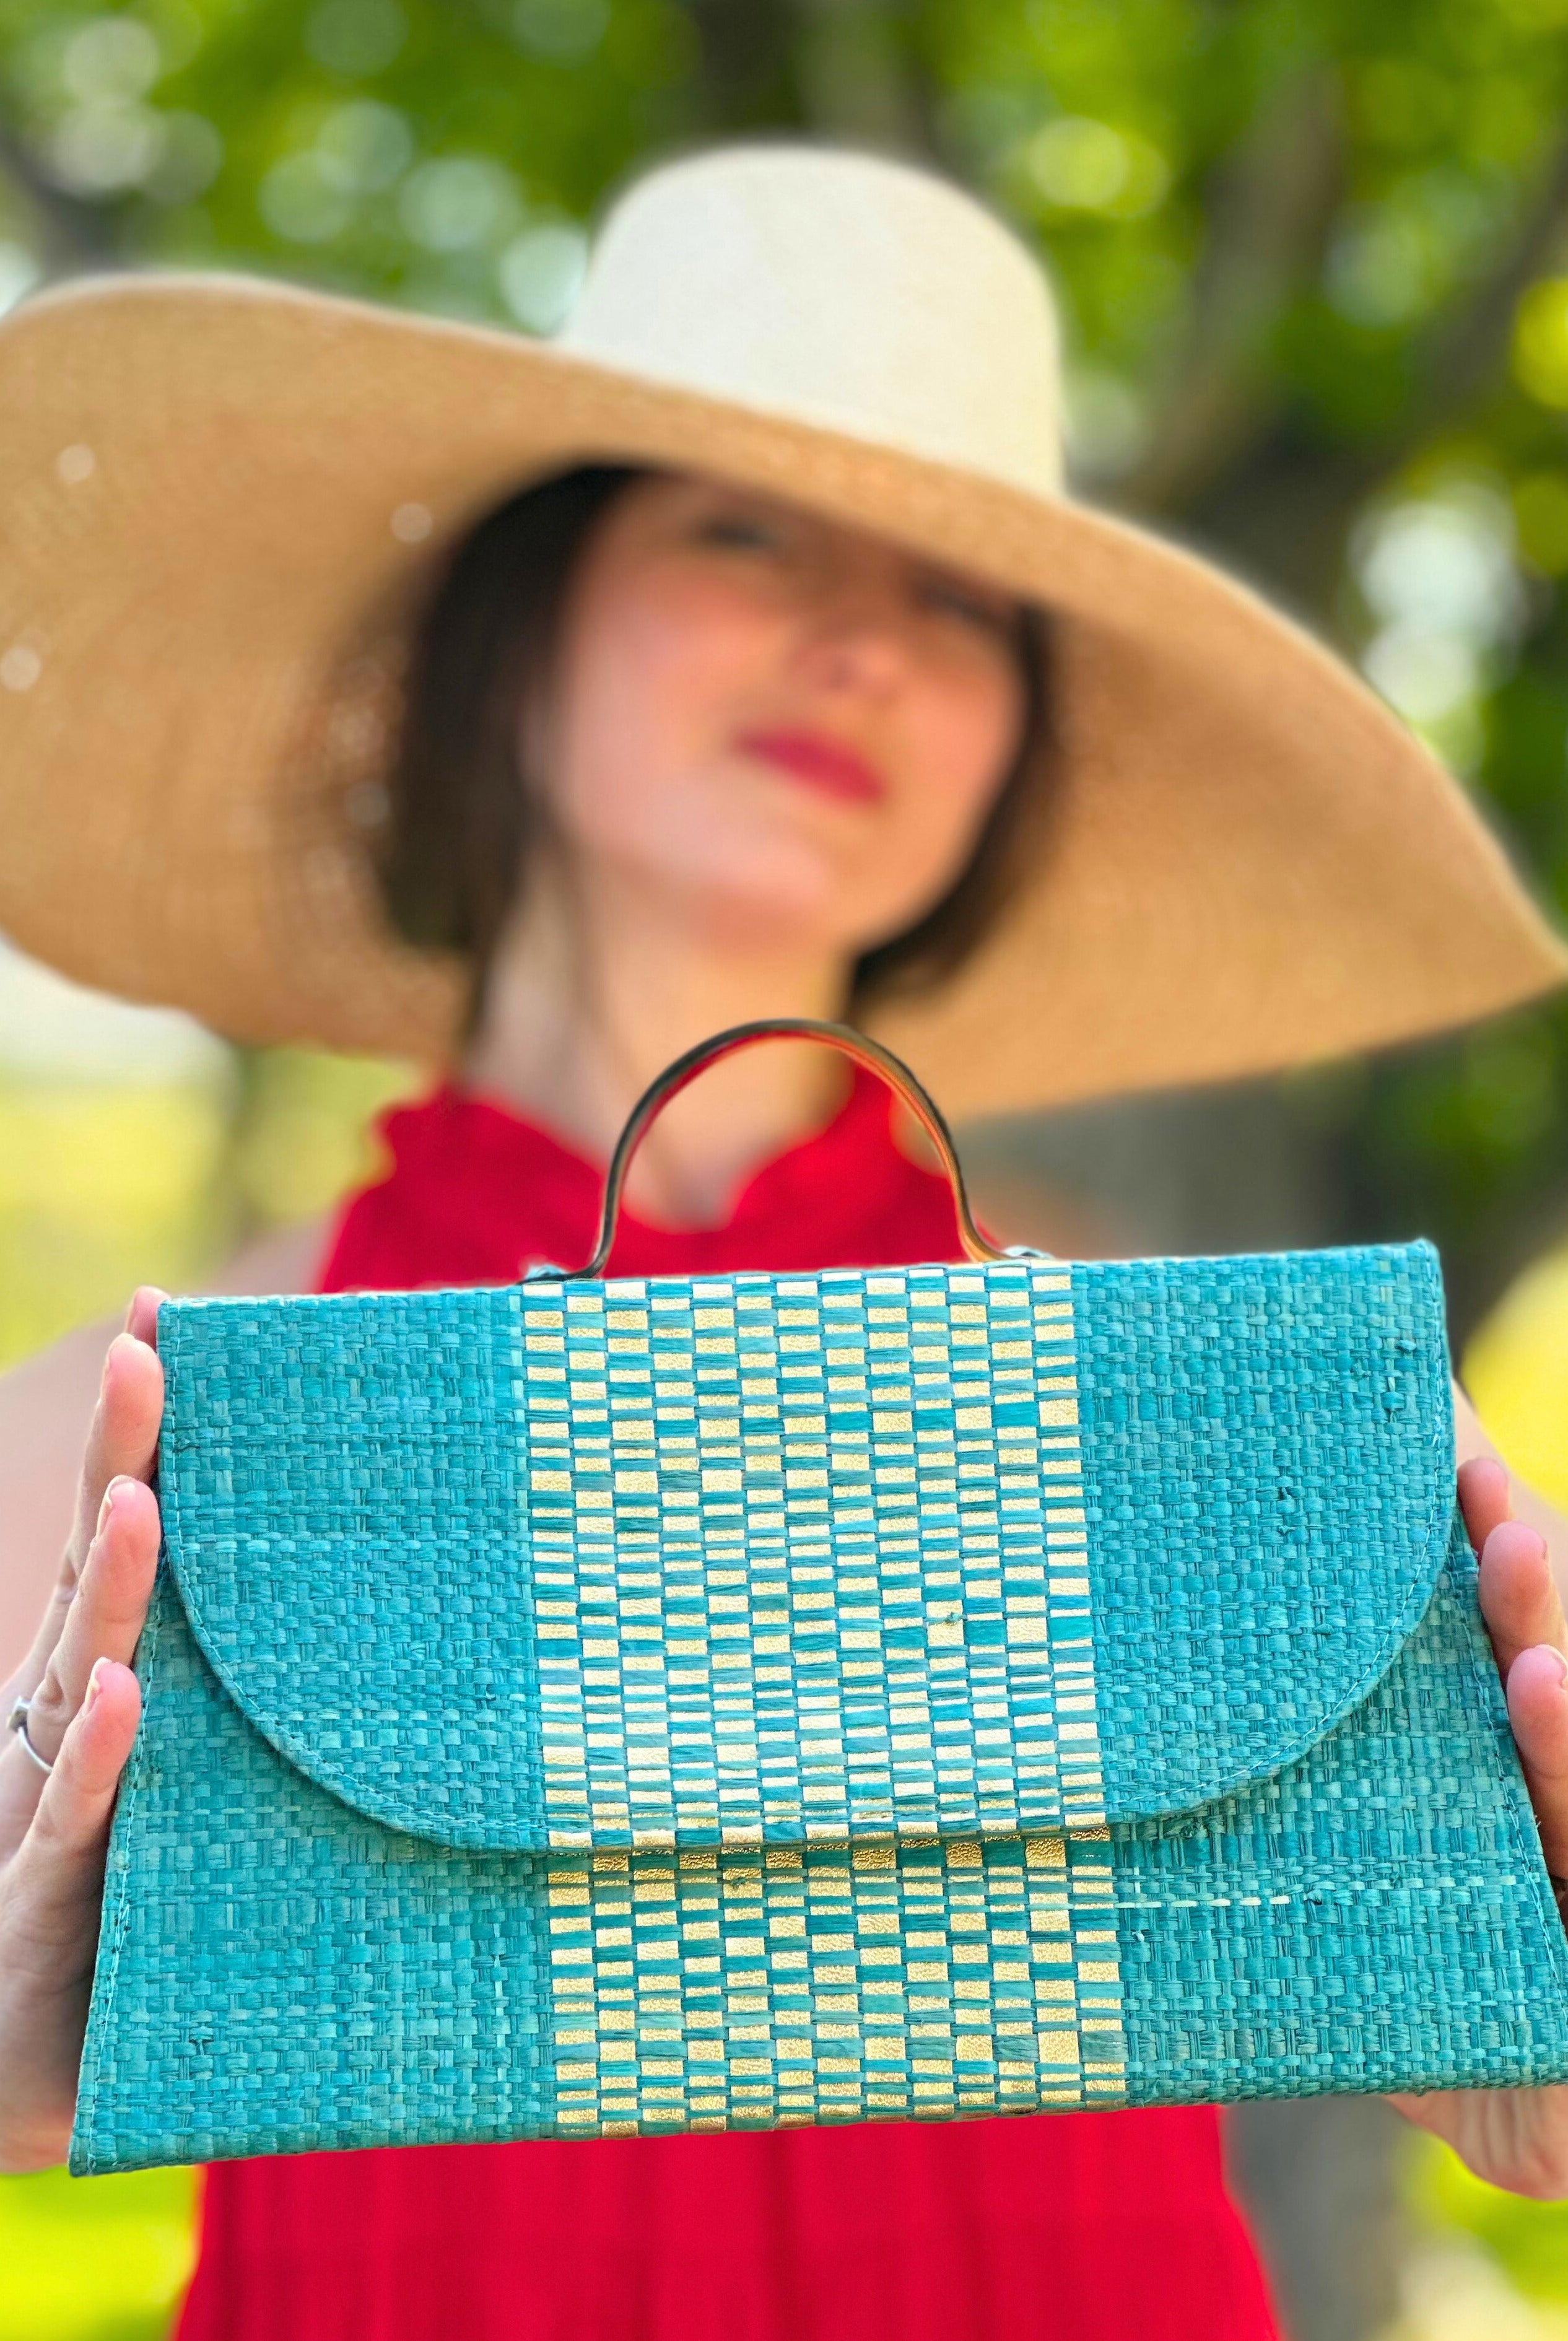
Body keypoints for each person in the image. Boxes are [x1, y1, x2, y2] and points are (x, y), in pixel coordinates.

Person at [1, 142, 1566, 2341]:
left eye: (962, 598)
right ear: (515, 626)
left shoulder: (1183, 1396)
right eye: (741, 529)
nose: (861, 639)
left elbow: (1459, 2025)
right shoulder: (138, 1437)